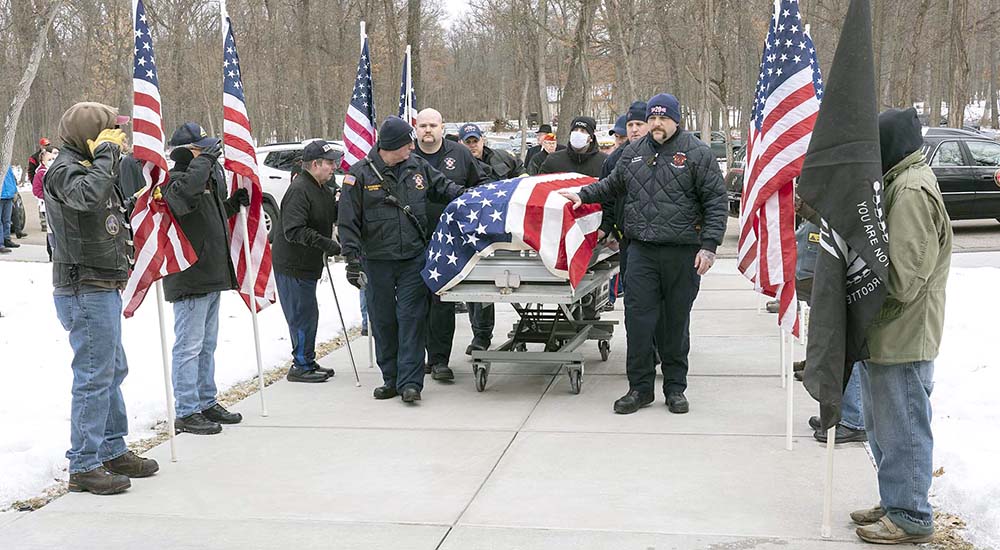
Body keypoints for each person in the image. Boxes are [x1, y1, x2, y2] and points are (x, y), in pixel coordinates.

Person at [559, 93, 727, 415]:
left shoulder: (698, 153)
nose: (656, 123)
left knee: (675, 323)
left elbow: (716, 203)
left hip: (682, 253)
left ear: (676, 119)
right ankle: (639, 389)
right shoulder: (633, 152)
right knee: (638, 322)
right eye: (652, 118)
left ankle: (675, 388)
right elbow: (611, 186)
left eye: (663, 118)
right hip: (640, 252)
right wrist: (582, 195)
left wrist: (709, 246)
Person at [45, 102, 158, 494]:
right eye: (111, 132)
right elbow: (86, 198)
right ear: (90, 134)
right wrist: (107, 155)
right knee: (94, 376)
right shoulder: (64, 169)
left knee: (112, 370)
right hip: (83, 286)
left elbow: (109, 211)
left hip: (102, 283)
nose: (119, 138)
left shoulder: (93, 165)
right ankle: (84, 463)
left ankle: (111, 448)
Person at [851, 107, 952, 545]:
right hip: (888, 334)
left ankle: (910, 512)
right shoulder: (899, 180)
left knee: (904, 428)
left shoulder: (909, 190)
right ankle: (896, 499)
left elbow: (904, 277)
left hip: (903, 335)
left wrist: (859, 290)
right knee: (883, 428)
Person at [339, 116, 466, 403]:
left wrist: (470, 196)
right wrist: (351, 259)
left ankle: (411, 383)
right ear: (392, 146)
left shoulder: (417, 167)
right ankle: (391, 379)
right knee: (383, 321)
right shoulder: (358, 176)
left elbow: (445, 188)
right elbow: (348, 221)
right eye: (407, 143)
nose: (412, 146)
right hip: (377, 261)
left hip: (412, 259)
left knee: (411, 319)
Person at [162, 122, 247, 435]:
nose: (210, 154)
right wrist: (203, 162)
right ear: (188, 153)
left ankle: (205, 400)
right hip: (189, 279)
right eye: (202, 149)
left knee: (206, 345)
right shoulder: (174, 180)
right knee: (189, 346)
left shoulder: (203, 180)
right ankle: (186, 410)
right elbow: (181, 201)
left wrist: (231, 205)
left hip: (211, 276)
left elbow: (204, 217)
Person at [413, 108, 488, 380]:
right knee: (416, 303)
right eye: (423, 125)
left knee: (442, 302)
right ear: (416, 127)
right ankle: (418, 358)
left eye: (433, 124)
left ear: (442, 127)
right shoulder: (406, 155)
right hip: (412, 239)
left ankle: (440, 360)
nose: (428, 130)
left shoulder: (459, 153)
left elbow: (479, 187)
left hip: (450, 240)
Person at [272, 140, 341, 383]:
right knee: (302, 315)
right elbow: (294, 230)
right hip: (292, 264)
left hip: (308, 265)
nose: (334, 167)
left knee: (310, 313)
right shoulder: (299, 189)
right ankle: (300, 365)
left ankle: (307, 359)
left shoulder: (321, 188)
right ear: (315, 164)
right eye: (330, 162)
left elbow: (328, 213)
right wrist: (326, 243)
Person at [458, 122, 527, 357]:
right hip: (476, 234)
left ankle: (530, 322)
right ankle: (481, 336)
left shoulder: (504, 158)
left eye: (475, 141)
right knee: (478, 288)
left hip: (509, 230)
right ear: (461, 143)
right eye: (467, 142)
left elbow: (524, 178)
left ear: (482, 140)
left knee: (526, 281)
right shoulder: (458, 164)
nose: (472, 146)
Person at [602, 101, 648, 311]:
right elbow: (606, 198)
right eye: (631, 125)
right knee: (635, 298)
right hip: (628, 238)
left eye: (639, 123)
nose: (634, 129)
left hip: (662, 239)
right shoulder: (615, 161)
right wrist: (608, 230)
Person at [538, 116, 607, 177]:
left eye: (583, 131)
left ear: (591, 137)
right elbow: (541, 185)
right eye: (575, 130)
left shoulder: (604, 162)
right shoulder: (553, 160)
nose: (578, 133)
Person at [32, 145, 59, 259]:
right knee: (51, 229)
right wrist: (48, 197)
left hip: (60, 205)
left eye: (53, 158)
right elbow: (36, 190)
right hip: (48, 205)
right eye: (49, 159)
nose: (52, 161)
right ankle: (52, 252)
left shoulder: (58, 170)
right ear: (43, 160)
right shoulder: (41, 173)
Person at [1, 167, 17, 252]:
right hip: (1, 195)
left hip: (8, 195)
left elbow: (11, 177)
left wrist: (15, 190)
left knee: (7, 220)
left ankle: (6, 239)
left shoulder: (7, 165)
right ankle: (0, 244)